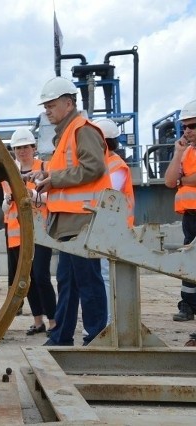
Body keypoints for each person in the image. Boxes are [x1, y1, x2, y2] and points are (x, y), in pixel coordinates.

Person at [29, 76, 111, 346]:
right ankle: (62, 336)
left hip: (83, 219)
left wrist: (54, 180)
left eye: (51, 106)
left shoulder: (82, 129)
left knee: (88, 282)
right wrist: (43, 175)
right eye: (46, 107)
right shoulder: (66, 134)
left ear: (68, 102)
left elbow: (93, 167)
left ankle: (96, 337)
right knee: (67, 281)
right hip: (68, 221)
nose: (47, 111)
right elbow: (67, 169)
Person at [2, 128, 56, 335]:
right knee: (28, 279)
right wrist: (8, 200)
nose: (22, 151)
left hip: (39, 232)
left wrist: (29, 193)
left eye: (25, 147)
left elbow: (49, 199)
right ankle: (38, 321)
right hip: (17, 234)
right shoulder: (9, 173)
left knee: (42, 276)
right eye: (18, 148)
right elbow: (4, 209)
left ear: (33, 148)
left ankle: (53, 320)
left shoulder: (44, 167)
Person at [93, 118, 135, 323]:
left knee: (107, 276)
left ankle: (110, 322)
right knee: (103, 275)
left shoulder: (116, 165)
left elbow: (107, 195)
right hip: (105, 228)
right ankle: (107, 320)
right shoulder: (103, 164)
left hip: (115, 229)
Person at [164, 99, 196, 322]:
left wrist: (183, 180)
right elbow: (168, 181)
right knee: (189, 261)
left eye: (192, 126)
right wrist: (177, 154)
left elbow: (188, 179)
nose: (187, 130)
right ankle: (188, 305)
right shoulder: (185, 153)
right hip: (190, 216)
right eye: (185, 126)